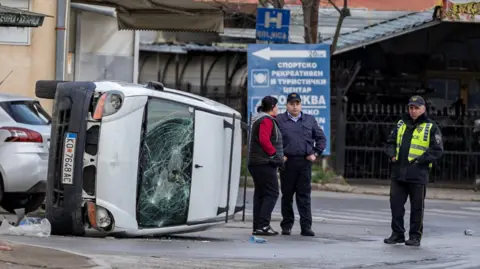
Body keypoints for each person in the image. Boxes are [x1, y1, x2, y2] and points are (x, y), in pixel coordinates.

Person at [384, 95, 444, 247]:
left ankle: (415, 236)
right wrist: (392, 156)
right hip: (399, 172)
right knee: (396, 205)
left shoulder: (431, 127)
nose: (413, 111)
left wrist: (420, 160)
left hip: (418, 173)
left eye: (416, 108)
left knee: (417, 207)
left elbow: (437, 150)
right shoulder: (400, 124)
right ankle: (397, 234)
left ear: (423, 109)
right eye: (411, 107)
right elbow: (390, 142)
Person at [276, 93, 327, 236]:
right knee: (287, 195)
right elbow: (273, 139)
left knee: (304, 196)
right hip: (287, 162)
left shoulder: (309, 120)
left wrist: (316, 153)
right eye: (292, 104)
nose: (295, 106)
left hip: (304, 162)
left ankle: (306, 226)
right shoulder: (280, 120)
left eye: (297, 103)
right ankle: (286, 225)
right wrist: (280, 155)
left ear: (301, 105)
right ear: (287, 105)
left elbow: (321, 138)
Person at [248, 96, 285, 236]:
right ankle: (263, 225)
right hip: (263, 163)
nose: (277, 108)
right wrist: (274, 155)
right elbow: (264, 139)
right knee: (272, 193)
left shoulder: (259, 118)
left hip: (256, 162)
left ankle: (257, 226)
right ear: (273, 106)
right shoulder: (266, 120)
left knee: (261, 194)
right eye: (276, 106)